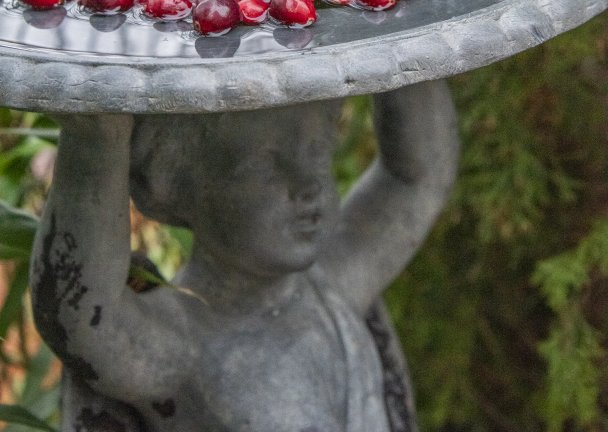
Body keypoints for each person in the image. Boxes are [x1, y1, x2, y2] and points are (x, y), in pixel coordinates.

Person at [30, 81, 459, 432]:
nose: (306, 183)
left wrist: (400, 41)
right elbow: (79, 311)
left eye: (316, 151)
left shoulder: (333, 287)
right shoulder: (182, 341)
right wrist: (99, 130)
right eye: (264, 167)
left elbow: (418, 179)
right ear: (178, 184)